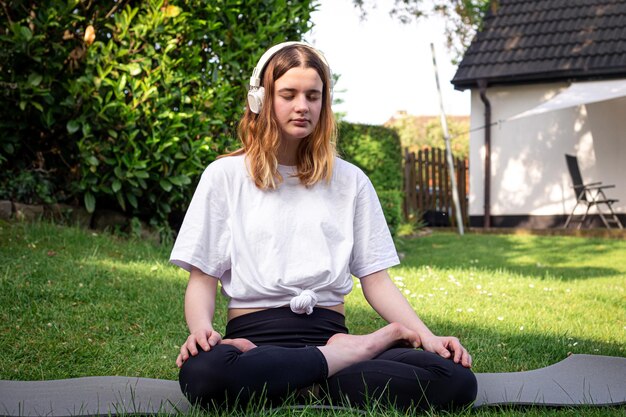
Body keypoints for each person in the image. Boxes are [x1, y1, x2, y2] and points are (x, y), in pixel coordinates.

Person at [169, 41, 477, 412]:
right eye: (288, 94)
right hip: (253, 343)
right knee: (204, 375)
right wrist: (201, 331)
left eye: (313, 96)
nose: (303, 106)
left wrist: (427, 336)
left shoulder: (351, 181)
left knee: (455, 378)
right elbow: (203, 278)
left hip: (329, 333)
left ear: (324, 103)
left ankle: (303, 377)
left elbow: (376, 280)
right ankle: (341, 362)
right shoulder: (224, 176)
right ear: (260, 100)